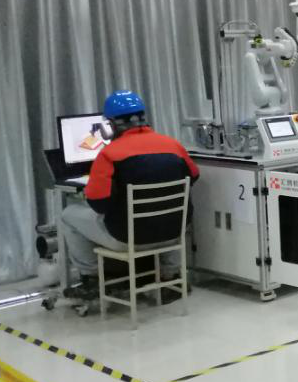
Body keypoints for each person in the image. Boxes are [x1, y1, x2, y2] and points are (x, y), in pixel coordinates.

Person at [59, 90, 200, 300]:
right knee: (166, 214)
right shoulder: (174, 146)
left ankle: (91, 279)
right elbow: (194, 176)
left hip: (129, 239)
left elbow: (98, 204)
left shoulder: (109, 154)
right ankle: (172, 277)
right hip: (174, 234)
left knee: (69, 214)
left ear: (110, 126)